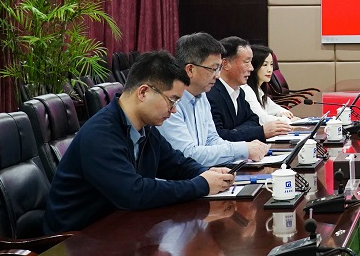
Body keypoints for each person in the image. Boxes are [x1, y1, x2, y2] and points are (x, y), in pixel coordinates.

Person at [43, 51, 234, 233]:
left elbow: (175, 164)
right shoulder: (101, 133)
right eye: (172, 101)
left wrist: (207, 173)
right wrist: (201, 185)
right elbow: (133, 193)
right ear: (143, 92)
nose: (174, 110)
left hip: (117, 229)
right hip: (75, 242)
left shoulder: (145, 128)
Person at [160, 32, 268, 166]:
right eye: (213, 69)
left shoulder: (202, 95)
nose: (217, 75)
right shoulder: (170, 102)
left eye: (219, 69)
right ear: (190, 69)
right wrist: (242, 149)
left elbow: (212, 140)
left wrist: (246, 148)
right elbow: (187, 154)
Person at [206, 36, 291, 142]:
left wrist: (235, 131)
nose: (251, 68)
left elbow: (253, 120)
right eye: (247, 62)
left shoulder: (240, 92)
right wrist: (260, 131)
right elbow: (219, 136)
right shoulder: (211, 94)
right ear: (225, 64)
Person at [244, 43, 298, 124]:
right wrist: (287, 120)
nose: (270, 70)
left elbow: (273, 108)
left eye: (271, 64)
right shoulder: (246, 90)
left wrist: (282, 112)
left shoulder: (259, 90)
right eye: (265, 65)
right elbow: (261, 119)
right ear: (254, 66)